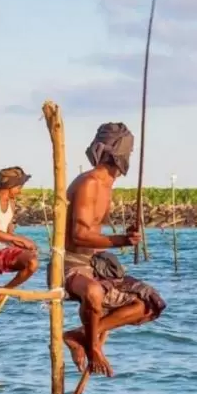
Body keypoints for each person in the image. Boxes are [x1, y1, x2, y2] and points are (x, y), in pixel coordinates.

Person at [63, 123, 167, 377]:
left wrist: (125, 234)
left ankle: (82, 335)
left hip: (95, 263)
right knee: (94, 293)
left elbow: (95, 231)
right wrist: (121, 240)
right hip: (71, 264)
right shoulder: (90, 183)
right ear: (118, 154)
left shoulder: (106, 185)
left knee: (149, 303)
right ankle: (91, 344)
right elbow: (79, 235)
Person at [0, 166, 39, 320]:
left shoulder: (11, 203)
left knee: (32, 262)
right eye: (19, 187)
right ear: (10, 186)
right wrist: (20, 239)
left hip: (4, 250)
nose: (20, 191)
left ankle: (5, 291)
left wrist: (22, 245)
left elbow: (8, 234)